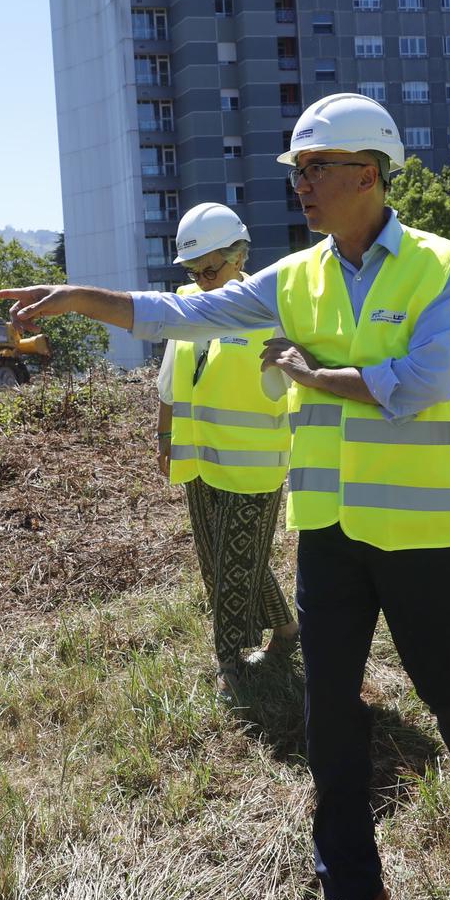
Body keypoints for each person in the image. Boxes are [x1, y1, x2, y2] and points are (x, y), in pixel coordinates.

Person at [0, 92, 450, 900]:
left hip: (425, 524)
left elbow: (422, 383)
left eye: (314, 168)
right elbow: (183, 314)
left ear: (367, 172)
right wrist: (81, 297)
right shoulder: (295, 278)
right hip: (331, 528)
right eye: (298, 171)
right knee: (328, 709)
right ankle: (353, 894)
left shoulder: (436, 266)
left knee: (443, 676)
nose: (301, 184)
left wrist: (313, 373)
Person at [155, 201, 298, 689]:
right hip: (198, 461)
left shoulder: (271, 311)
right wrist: (163, 437)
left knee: (232, 569)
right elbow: (171, 386)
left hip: (254, 466)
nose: (202, 279)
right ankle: (286, 627)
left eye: (210, 268)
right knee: (218, 561)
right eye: (194, 270)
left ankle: (229, 663)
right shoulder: (185, 306)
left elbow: (302, 385)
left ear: (240, 256)